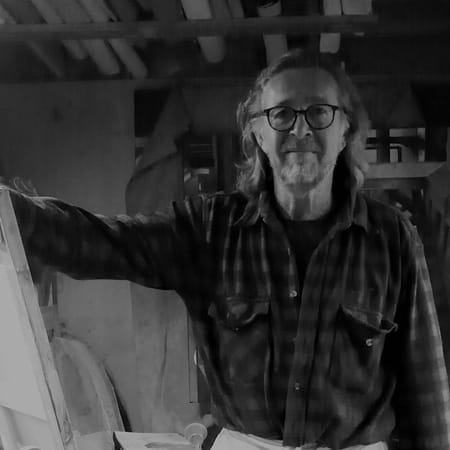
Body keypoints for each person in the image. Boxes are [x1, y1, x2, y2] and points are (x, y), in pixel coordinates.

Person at [4, 49, 450, 450]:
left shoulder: (392, 238)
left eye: (319, 112)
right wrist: (10, 211)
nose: (300, 129)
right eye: (281, 114)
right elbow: (103, 241)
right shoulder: (209, 230)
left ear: (345, 127)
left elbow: (427, 394)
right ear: (257, 132)